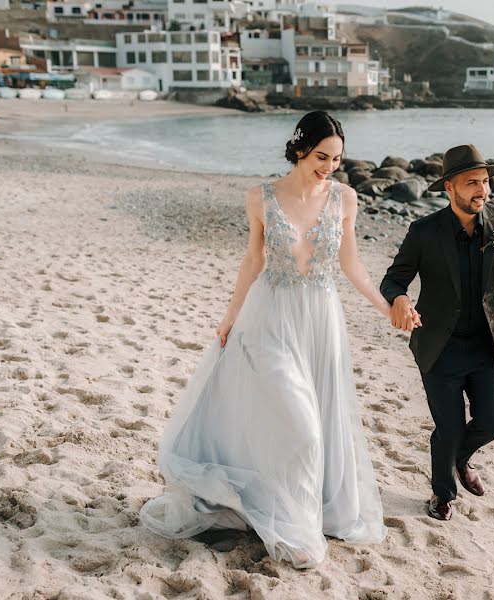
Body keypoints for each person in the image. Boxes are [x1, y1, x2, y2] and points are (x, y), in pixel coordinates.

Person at [140, 111, 390, 568]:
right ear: (299, 149)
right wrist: (230, 316)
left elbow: (353, 266)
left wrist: (388, 306)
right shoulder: (260, 197)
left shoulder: (345, 199)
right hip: (270, 317)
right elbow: (253, 261)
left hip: (320, 321)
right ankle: (294, 527)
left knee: (317, 419)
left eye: (336, 158)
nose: (329, 166)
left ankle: (303, 510)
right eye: (320, 156)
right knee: (302, 428)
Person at [380, 144, 494, 521]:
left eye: (484, 181)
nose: (481, 190)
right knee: (448, 428)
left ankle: (462, 459)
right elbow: (393, 279)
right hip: (440, 346)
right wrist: (399, 300)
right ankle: (441, 494)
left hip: (487, 344)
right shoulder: (424, 232)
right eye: (471, 183)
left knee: (493, 421)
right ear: (449, 187)